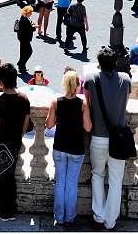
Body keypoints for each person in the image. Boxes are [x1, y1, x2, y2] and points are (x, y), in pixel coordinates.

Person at [83, 46, 131, 230]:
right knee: (116, 181)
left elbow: (87, 103)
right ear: (116, 63)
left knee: (97, 175)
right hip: (118, 138)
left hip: (98, 137)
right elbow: (124, 105)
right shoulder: (126, 79)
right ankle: (111, 222)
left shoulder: (90, 79)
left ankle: (99, 216)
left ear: (99, 64)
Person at [0, 63, 30, 222]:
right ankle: (11, 210)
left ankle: (3, 211)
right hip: (14, 144)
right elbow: (25, 123)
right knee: (10, 178)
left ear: (0, 82)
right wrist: (18, 136)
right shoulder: (24, 99)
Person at [45, 70, 92, 228]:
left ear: (64, 84)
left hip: (60, 146)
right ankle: (69, 217)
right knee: (71, 184)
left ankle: (58, 216)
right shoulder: (83, 104)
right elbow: (88, 127)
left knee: (60, 183)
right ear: (78, 85)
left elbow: (49, 124)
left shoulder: (56, 102)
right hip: (76, 148)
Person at [15, 5, 36, 73]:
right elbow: (28, 29)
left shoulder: (24, 18)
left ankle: (22, 66)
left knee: (23, 52)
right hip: (24, 38)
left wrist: (32, 23)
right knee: (29, 51)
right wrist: (35, 27)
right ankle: (21, 63)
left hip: (23, 38)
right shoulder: (24, 20)